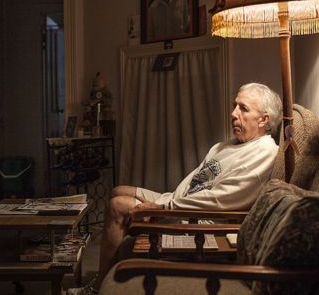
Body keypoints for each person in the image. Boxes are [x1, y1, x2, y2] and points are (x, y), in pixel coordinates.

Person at [66, 83, 282, 295]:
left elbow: (220, 199)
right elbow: (195, 181)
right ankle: (111, 270)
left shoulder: (264, 152)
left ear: (264, 119)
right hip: (177, 203)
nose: (234, 113)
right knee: (118, 190)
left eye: (243, 108)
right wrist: (166, 200)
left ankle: (96, 289)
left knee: (117, 206)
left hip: (195, 219)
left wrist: (164, 207)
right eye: (235, 106)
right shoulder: (227, 146)